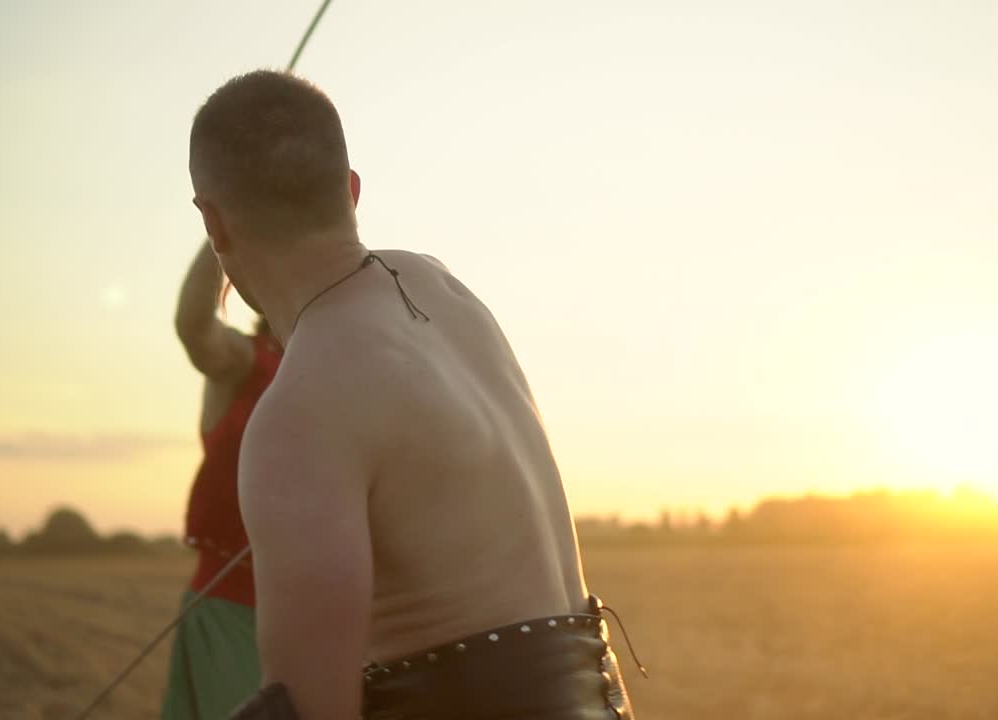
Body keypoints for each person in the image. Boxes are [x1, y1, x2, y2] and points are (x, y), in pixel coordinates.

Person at [188, 69, 641, 720]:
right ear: (350, 191)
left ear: (214, 224)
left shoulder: (297, 413)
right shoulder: (444, 290)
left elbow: (311, 712)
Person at [159, 238, 281, 720]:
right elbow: (195, 328)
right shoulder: (243, 360)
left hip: (337, 613)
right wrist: (222, 227)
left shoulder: (350, 370)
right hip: (233, 608)